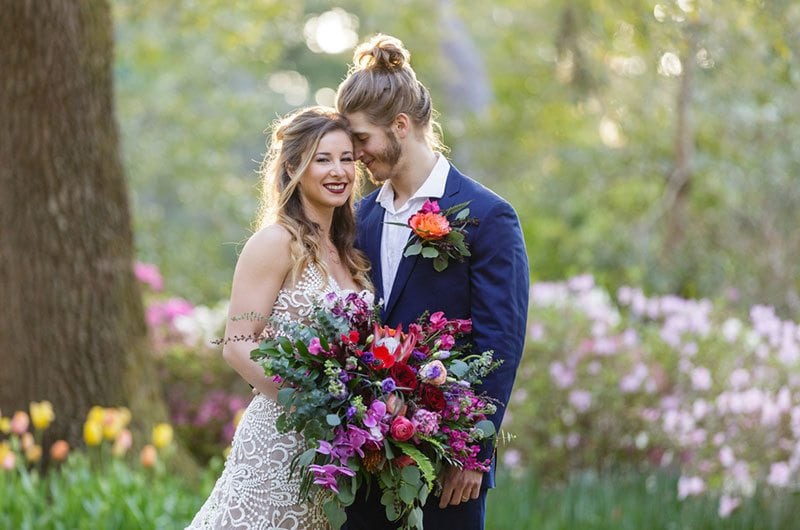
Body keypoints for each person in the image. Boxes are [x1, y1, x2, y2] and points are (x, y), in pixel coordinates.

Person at [336, 35, 530, 530]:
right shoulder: (360, 218)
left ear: (400, 126)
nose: (354, 154)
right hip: (368, 458)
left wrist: (474, 452)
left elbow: (500, 341)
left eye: (361, 139)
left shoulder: (487, 216)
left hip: (449, 463)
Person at [186, 106, 371, 530]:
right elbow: (238, 344)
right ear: (293, 166)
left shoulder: (350, 255)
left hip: (333, 457)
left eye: (346, 159)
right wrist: (312, 406)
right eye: (322, 159)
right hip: (279, 442)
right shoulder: (274, 243)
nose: (337, 170)